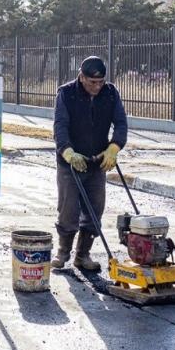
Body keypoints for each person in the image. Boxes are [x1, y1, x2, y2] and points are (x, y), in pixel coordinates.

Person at [51, 56, 128, 271]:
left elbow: (121, 123)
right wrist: (68, 152)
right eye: (93, 82)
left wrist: (114, 148)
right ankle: (63, 252)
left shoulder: (110, 93)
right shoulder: (66, 93)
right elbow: (60, 127)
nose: (97, 86)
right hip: (71, 162)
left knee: (95, 209)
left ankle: (82, 255)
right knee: (68, 210)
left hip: (97, 162)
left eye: (101, 81)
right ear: (81, 76)